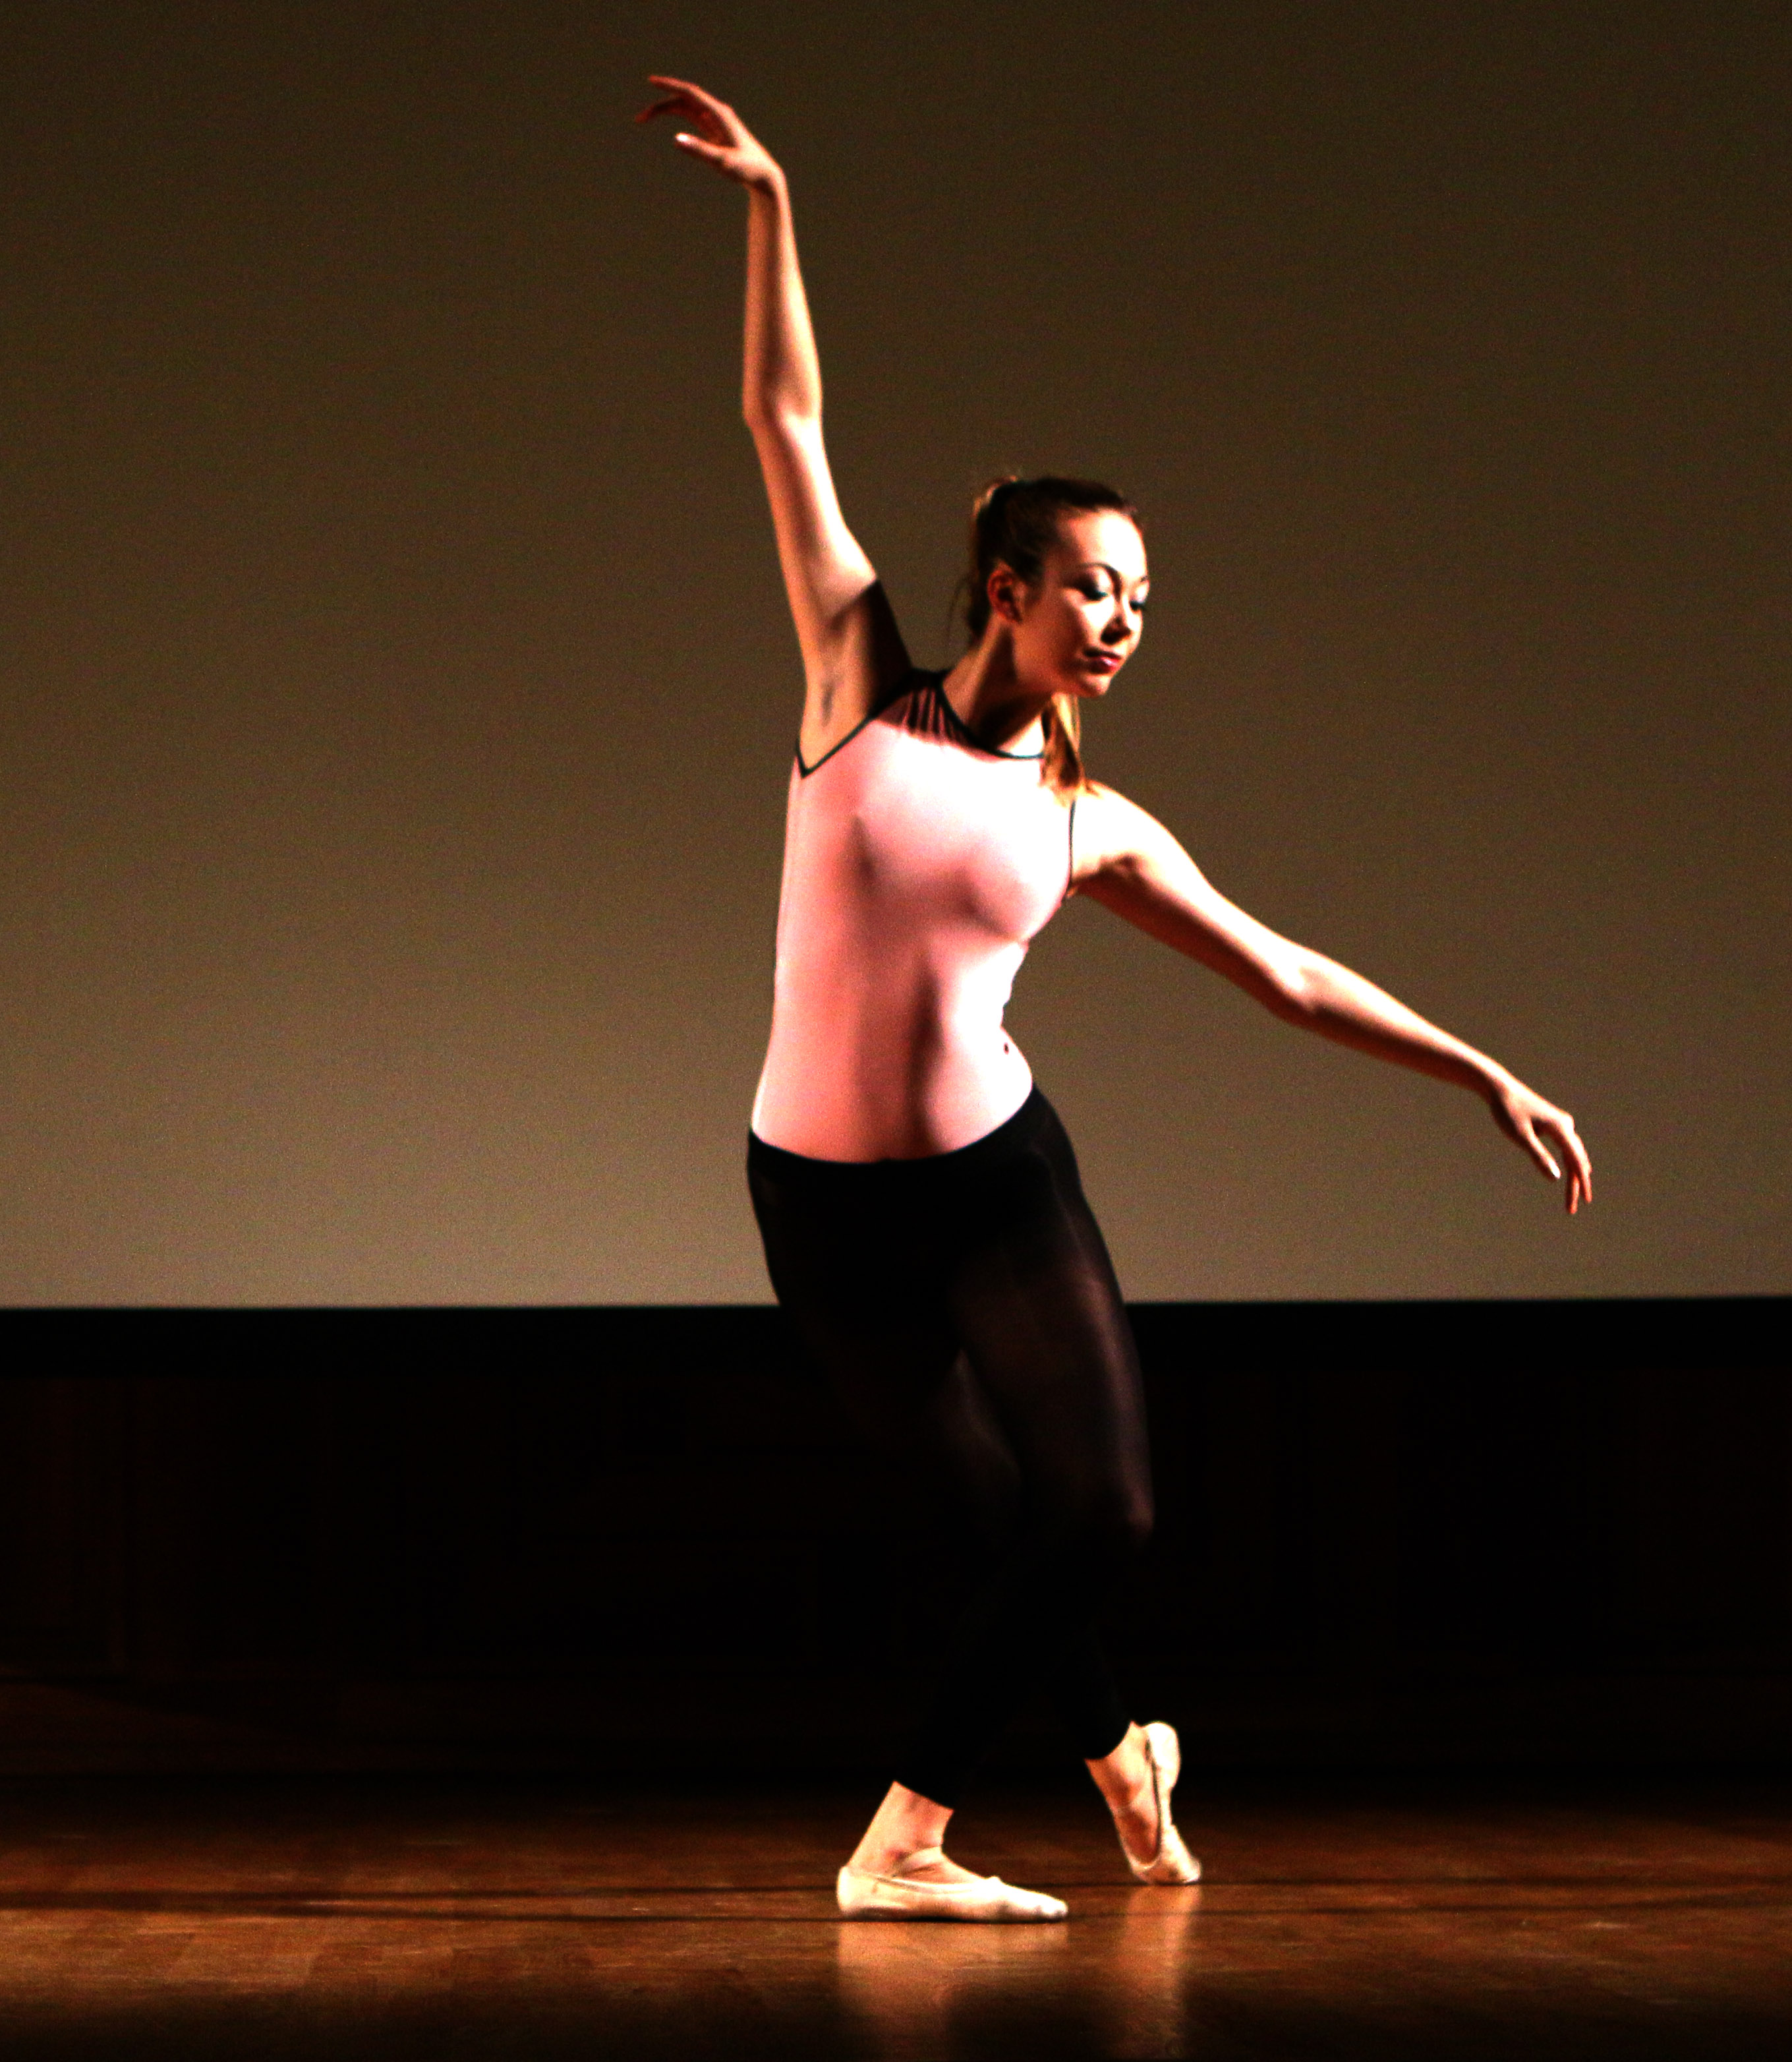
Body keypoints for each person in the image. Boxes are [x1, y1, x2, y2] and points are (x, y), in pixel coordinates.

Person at [641, 76, 1594, 1924]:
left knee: (1105, 1512)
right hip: (818, 1202)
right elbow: (784, 418)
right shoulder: (855, 682)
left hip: (995, 1185)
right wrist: (772, 202)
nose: (1126, 621)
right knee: (997, 1529)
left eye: (1144, 598)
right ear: (1007, 590)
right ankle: (1128, 1775)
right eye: (1096, 587)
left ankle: (902, 1842)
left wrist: (1482, 1071)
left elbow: (1283, 973)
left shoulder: (1086, 822)